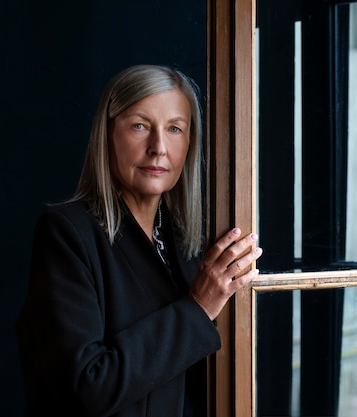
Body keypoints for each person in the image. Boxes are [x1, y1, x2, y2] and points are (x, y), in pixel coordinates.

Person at [15, 64, 263, 417]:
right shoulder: (66, 234)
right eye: (139, 126)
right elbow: (88, 387)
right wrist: (198, 307)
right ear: (107, 134)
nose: (158, 147)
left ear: (190, 143)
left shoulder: (188, 242)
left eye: (175, 128)